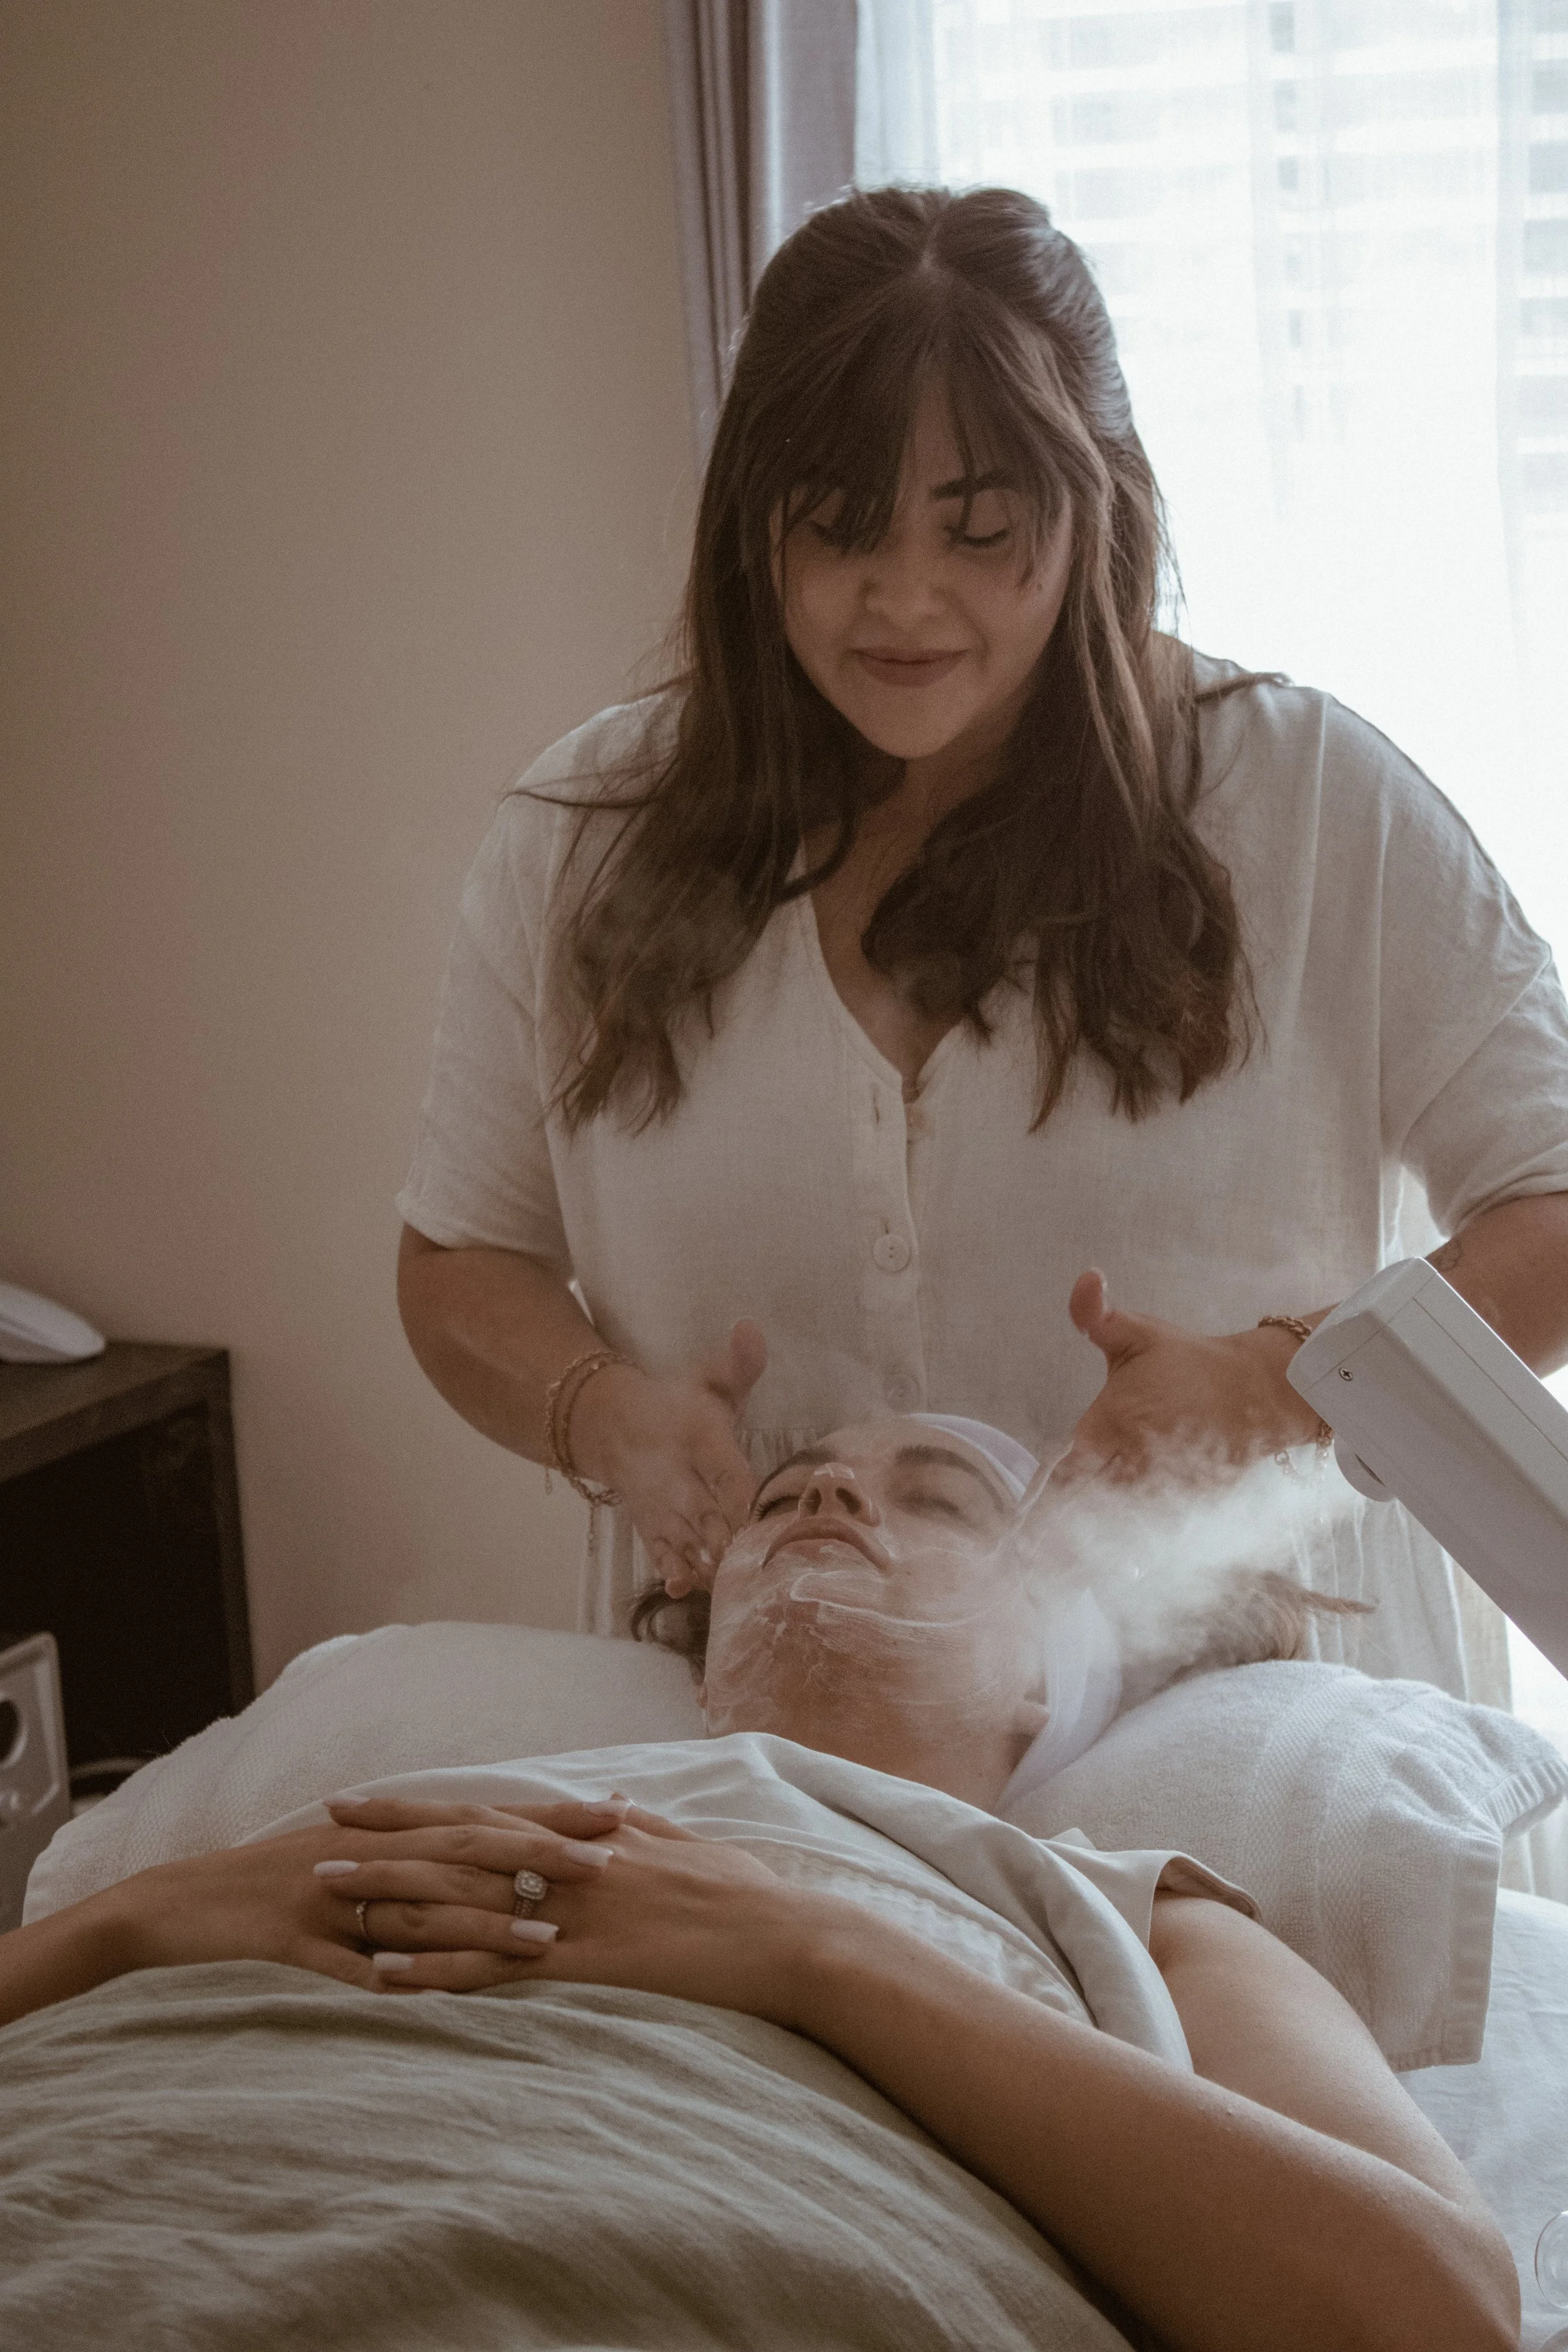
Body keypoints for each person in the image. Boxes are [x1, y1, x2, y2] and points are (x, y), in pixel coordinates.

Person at [394, 182, 1568, 1692]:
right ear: (751, 516)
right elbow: (456, 1257)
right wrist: (596, 1411)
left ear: (1095, 506)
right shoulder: (581, 839)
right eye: (839, 527)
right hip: (778, 1749)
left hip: (1236, 1738)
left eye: (981, 530)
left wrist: (1278, 1384)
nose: (903, 599)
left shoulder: (1312, 807)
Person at [0, 1417, 1519, 2349]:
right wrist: (133, 1925)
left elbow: (1428, 2317)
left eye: (934, 1500)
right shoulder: (396, 1812)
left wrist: (812, 1956)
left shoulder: (1119, 1908)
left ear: (1045, 1680)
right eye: (796, 1488)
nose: (828, 1505)